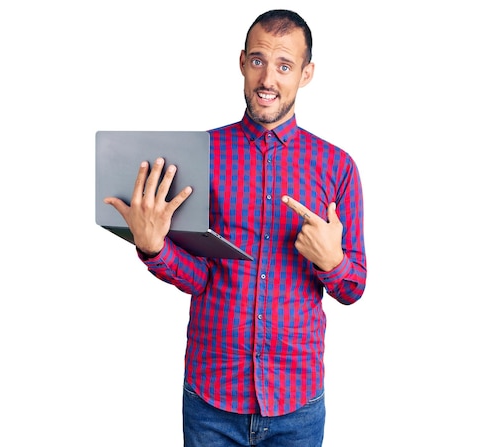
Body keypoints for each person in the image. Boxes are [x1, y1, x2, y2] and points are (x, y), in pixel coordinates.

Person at [104, 9, 367, 447]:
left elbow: (353, 287)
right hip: (212, 399)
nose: (268, 78)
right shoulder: (200, 154)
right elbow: (201, 277)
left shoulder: (337, 168)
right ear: (242, 62)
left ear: (306, 74)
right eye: (259, 60)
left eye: (284, 66)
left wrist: (332, 261)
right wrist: (154, 249)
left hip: (296, 406)